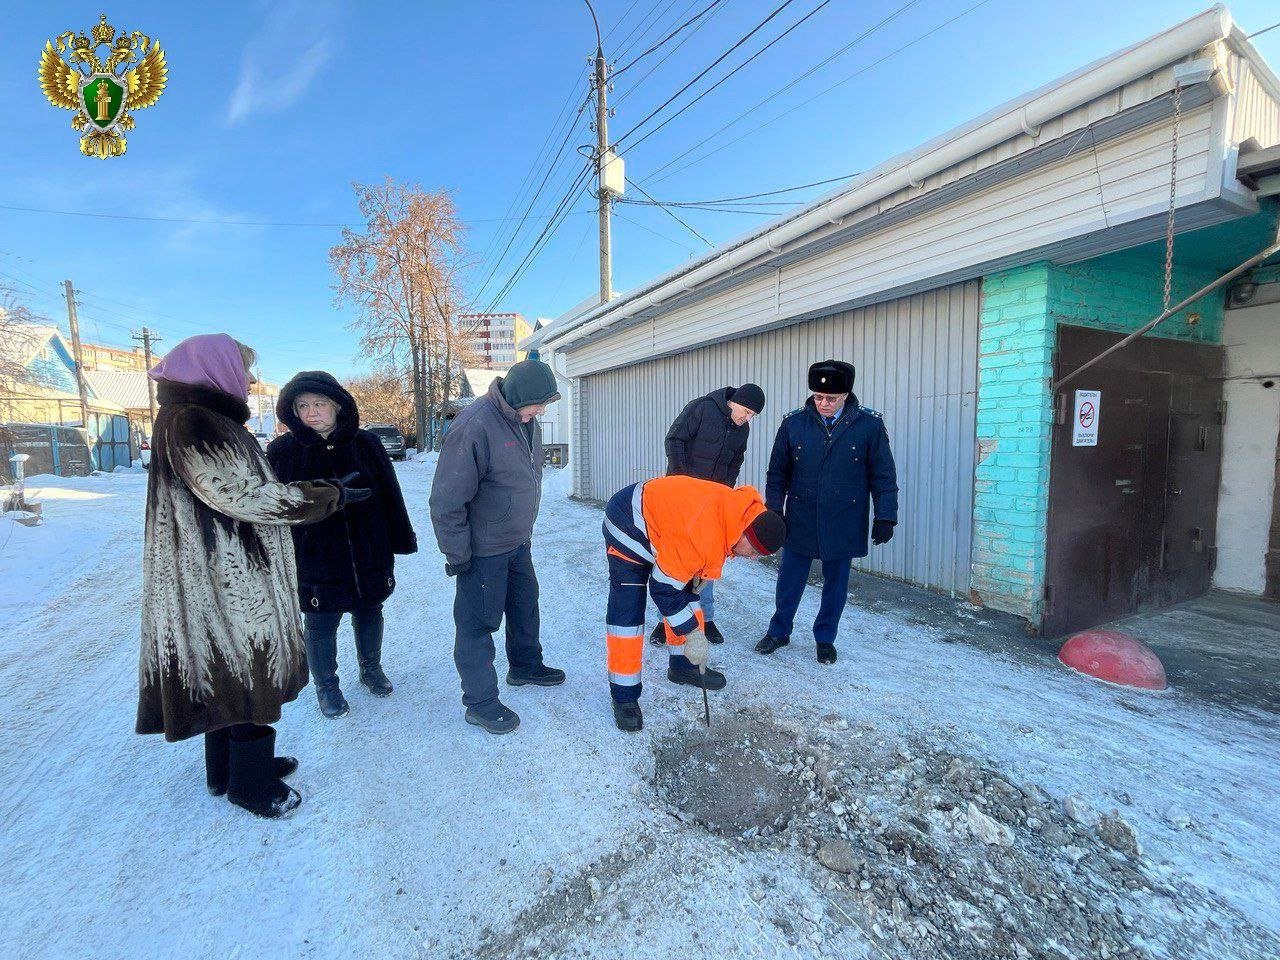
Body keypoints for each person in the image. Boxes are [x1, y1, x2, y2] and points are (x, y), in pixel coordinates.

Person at [137, 334, 369, 819]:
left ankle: (229, 770)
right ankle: (250, 783)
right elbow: (241, 496)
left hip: (220, 567)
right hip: (225, 573)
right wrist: (323, 496)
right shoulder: (194, 421)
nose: (247, 379)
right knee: (250, 668)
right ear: (215, 370)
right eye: (241, 368)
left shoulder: (201, 418)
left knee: (229, 669)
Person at [266, 372, 418, 719]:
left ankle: (370, 669)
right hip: (315, 554)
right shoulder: (283, 451)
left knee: (370, 610)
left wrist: (399, 537)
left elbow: (390, 494)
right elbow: (275, 506)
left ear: (337, 405)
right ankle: (327, 687)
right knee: (320, 622)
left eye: (319, 404)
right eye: (302, 405)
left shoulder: (366, 444)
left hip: (368, 548)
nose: (311, 412)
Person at [429, 358, 565, 735]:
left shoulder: (525, 421)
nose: (541, 411)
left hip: (518, 541)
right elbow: (446, 501)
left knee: (525, 606)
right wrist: (459, 555)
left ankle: (524, 665)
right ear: (517, 396)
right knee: (477, 623)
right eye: (537, 404)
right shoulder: (474, 426)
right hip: (483, 549)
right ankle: (480, 702)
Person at [603, 475, 786, 732]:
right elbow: (663, 589)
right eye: (754, 551)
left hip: (669, 528)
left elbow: (691, 552)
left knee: (687, 592)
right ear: (746, 533)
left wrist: (695, 576)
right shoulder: (701, 534)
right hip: (628, 523)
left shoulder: (736, 515)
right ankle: (624, 695)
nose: (753, 559)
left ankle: (683, 667)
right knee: (628, 611)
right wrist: (690, 633)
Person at [757, 359, 899, 665]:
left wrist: (886, 515)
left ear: (846, 395)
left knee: (836, 584)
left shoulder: (868, 425)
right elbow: (777, 473)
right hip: (801, 516)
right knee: (789, 579)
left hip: (844, 519)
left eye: (831, 399)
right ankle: (779, 631)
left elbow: (883, 475)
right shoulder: (794, 424)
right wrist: (773, 509)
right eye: (818, 397)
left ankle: (825, 638)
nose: (823, 403)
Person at [653, 383, 766, 646]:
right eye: (746, 411)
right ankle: (664, 620)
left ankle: (708, 619)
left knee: (708, 558)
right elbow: (674, 439)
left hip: (712, 504)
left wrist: (723, 494)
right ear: (735, 402)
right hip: (681, 498)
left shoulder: (742, 429)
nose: (747, 418)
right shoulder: (703, 408)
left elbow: (735, 461)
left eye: (752, 416)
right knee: (674, 559)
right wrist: (681, 480)